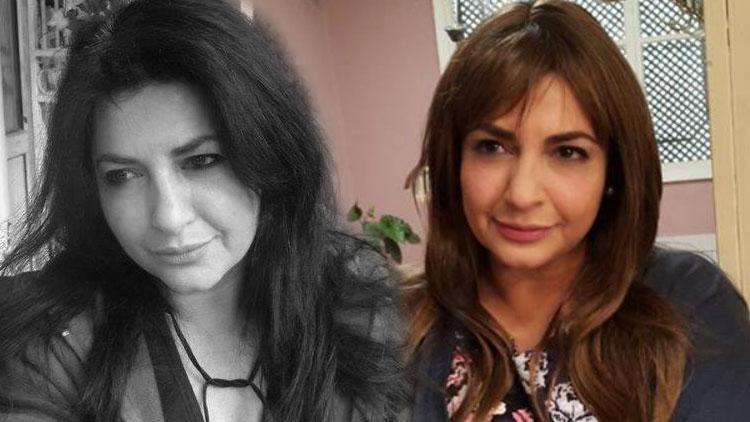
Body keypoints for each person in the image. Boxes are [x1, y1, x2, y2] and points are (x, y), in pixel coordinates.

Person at [0, 0, 406, 420]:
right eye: (122, 175)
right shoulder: (50, 345)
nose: (168, 218)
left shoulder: (349, 297)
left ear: (271, 151)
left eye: (202, 161)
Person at [404, 1, 750, 421]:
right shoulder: (393, 329)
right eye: (492, 147)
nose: (522, 194)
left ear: (613, 173)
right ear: (454, 162)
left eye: (567, 152)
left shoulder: (689, 307)